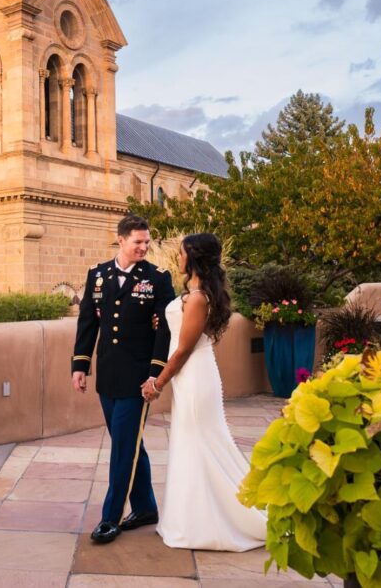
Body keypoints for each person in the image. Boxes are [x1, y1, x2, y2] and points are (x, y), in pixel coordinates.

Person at [141, 233, 266, 551]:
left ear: (193, 257)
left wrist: (157, 383)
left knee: (201, 444)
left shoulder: (197, 298)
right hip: (191, 376)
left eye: (182, 253)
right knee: (191, 444)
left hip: (194, 375)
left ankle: (214, 523)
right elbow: (180, 330)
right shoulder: (193, 294)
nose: (178, 258)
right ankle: (192, 520)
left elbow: (183, 350)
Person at [71, 214, 175, 544]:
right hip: (108, 376)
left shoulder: (158, 278)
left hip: (137, 379)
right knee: (128, 445)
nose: (144, 247)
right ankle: (145, 508)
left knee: (122, 450)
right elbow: (88, 322)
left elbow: (166, 330)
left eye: (147, 242)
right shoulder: (97, 275)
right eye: (138, 242)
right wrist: (80, 365)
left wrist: (155, 374)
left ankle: (110, 517)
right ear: (121, 240)